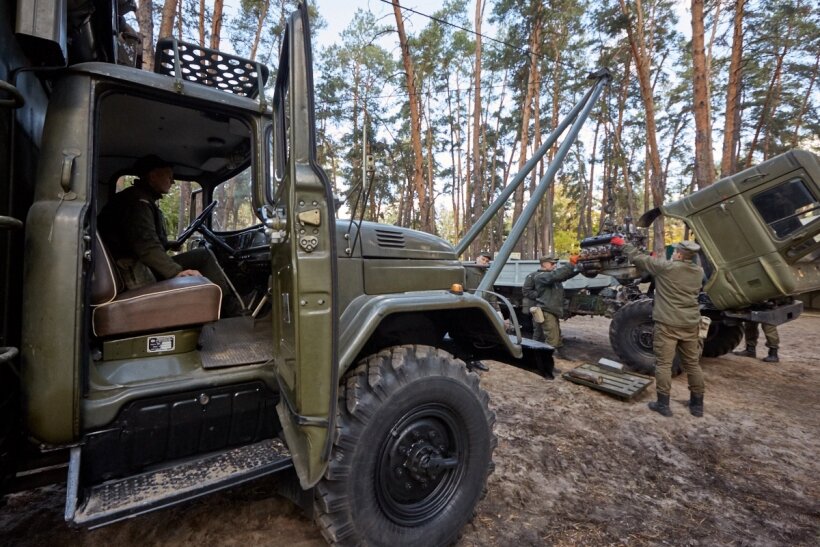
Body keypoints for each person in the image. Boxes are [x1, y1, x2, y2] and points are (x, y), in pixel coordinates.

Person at [98, 155, 238, 315]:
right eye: (169, 176)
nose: (172, 182)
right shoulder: (137, 202)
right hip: (134, 269)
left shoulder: (140, 198)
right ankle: (228, 308)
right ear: (152, 176)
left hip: (141, 265)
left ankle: (223, 303)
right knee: (204, 256)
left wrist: (170, 244)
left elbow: (139, 238)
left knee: (201, 255)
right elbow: (145, 246)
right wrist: (175, 272)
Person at [613, 237, 705, 417]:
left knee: (663, 364)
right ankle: (697, 405)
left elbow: (639, 259)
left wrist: (622, 244)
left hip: (668, 324)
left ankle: (663, 404)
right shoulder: (698, 272)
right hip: (690, 324)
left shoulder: (666, 268)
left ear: (678, 254)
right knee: (693, 364)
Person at [531, 256, 580, 356]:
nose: (554, 265)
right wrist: (571, 264)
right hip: (547, 312)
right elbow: (556, 275)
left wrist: (579, 269)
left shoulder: (551, 277)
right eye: (552, 263)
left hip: (553, 311)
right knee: (551, 341)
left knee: (557, 336)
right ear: (544, 264)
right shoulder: (541, 276)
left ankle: (561, 355)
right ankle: (547, 366)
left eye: (555, 264)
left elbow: (564, 276)